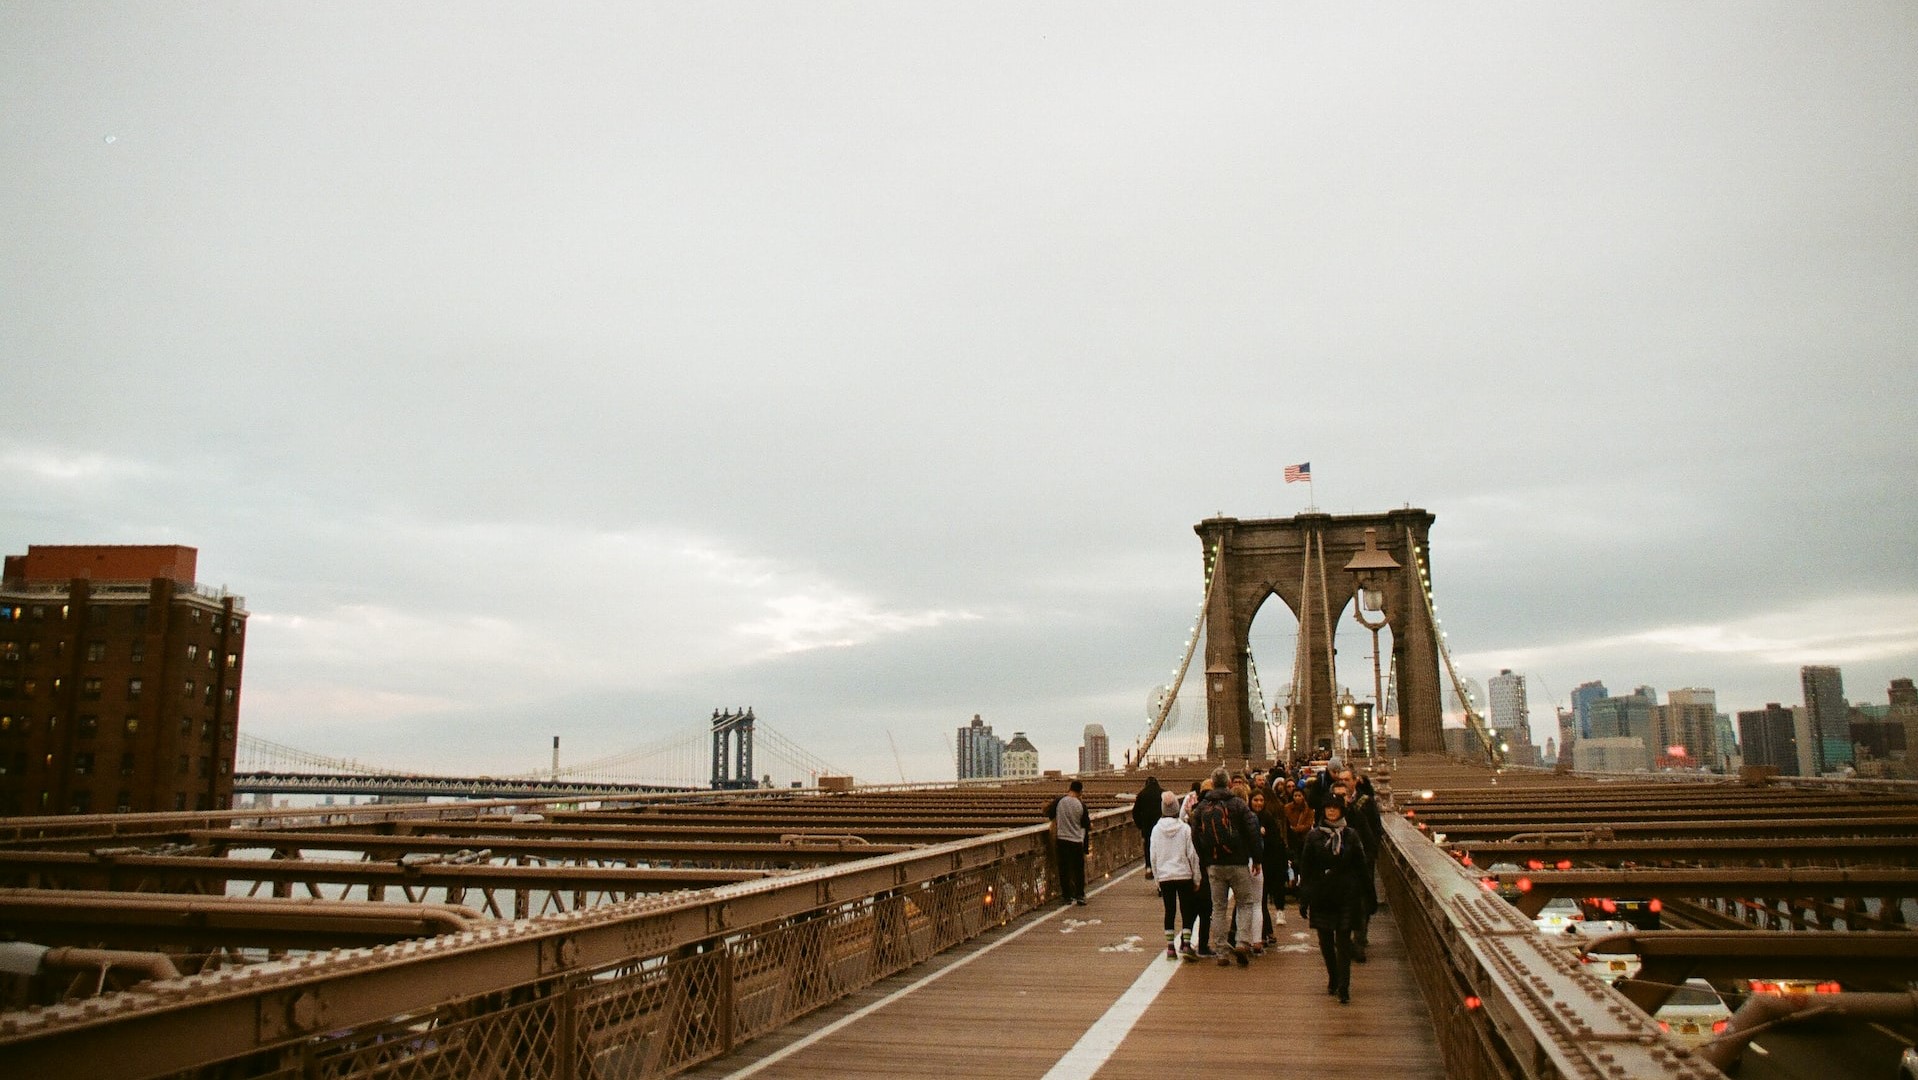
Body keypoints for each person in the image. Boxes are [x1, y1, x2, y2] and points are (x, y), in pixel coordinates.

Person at [1300, 794, 1369, 1004]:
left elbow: (1361, 866)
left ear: (1341, 811)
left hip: (1346, 893)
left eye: (1335, 808)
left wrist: (1367, 895)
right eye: (1328, 808)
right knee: (1326, 941)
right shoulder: (1313, 837)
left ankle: (1344, 986)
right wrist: (1304, 897)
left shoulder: (1351, 835)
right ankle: (1333, 976)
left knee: (1343, 941)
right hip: (1322, 893)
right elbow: (1307, 868)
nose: (1331, 811)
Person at [1192, 766, 1262, 968]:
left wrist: (1205, 860)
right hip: (1238, 862)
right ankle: (1241, 942)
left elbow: (1195, 835)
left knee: (1219, 907)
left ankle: (1221, 951)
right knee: (1245, 903)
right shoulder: (1239, 804)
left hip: (1214, 864)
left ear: (1212, 784)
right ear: (1229, 783)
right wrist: (1256, 858)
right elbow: (1252, 831)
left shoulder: (1202, 807)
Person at [1149, 790, 1203, 960]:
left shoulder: (1156, 830)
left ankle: (1170, 947)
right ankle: (1186, 944)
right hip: (1183, 874)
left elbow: (1153, 856)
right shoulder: (1185, 829)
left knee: (1169, 910)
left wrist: (1157, 879)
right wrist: (1197, 877)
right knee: (1187, 909)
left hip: (1165, 875)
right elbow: (1192, 855)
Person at [1346, 770, 1386, 961]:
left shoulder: (1366, 802)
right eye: (1341, 780)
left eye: (1347, 779)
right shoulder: (1332, 802)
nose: (1344, 783)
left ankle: (1359, 939)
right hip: (1341, 862)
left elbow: (1377, 828)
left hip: (1362, 860)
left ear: (1355, 781)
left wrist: (1371, 854)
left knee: (1362, 898)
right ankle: (1346, 938)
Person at [1044, 779, 1091, 906]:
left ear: (1069, 789)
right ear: (1080, 791)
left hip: (1062, 839)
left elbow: (1049, 814)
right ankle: (1080, 895)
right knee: (1078, 869)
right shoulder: (1081, 805)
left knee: (1064, 868)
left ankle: (1067, 896)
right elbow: (1086, 825)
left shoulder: (1060, 801)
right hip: (1076, 840)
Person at [1250, 787, 1288, 939]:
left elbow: (1276, 840)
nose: (1258, 803)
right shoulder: (1247, 816)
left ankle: (1266, 932)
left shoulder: (1267, 817)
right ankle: (1265, 932)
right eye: (1255, 800)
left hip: (1269, 862)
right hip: (1253, 863)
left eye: (1261, 800)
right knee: (1260, 899)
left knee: (1262, 898)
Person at [1131, 775, 1164, 882]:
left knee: (1148, 847)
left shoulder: (1142, 794)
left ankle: (1149, 867)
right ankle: (1161, 871)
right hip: (1162, 827)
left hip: (1148, 828)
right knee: (1161, 849)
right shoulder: (1163, 793)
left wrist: (1140, 825)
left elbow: (1135, 812)